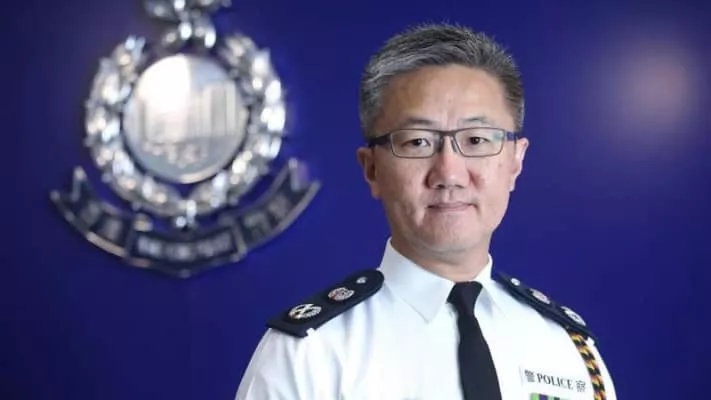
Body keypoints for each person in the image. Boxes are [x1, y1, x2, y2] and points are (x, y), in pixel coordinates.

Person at [234, 23, 617, 400]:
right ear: (372, 169)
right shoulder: (310, 356)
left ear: (516, 162)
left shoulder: (568, 350)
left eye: (477, 139)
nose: (449, 173)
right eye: (418, 142)